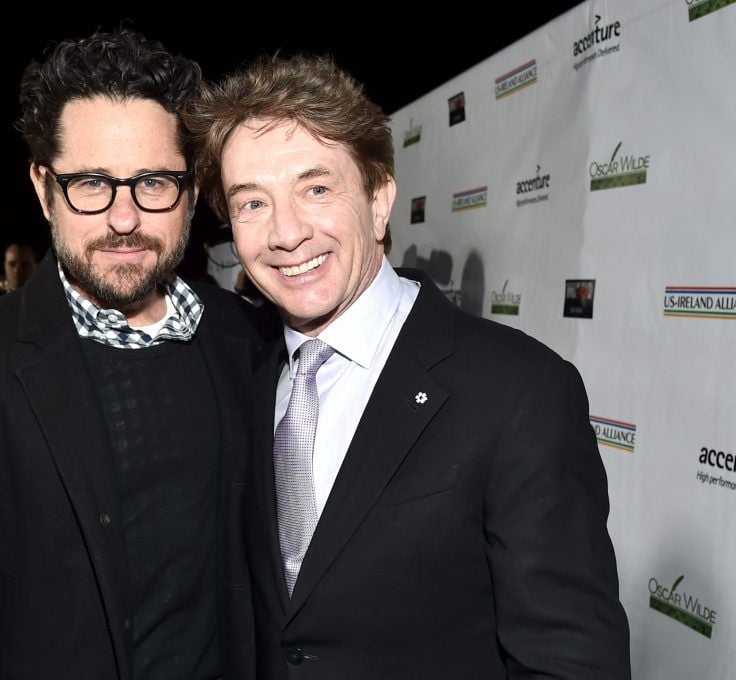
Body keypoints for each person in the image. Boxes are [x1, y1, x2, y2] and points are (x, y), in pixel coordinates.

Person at [185, 54, 631, 678]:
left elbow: (571, 661)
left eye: (316, 188)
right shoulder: (240, 379)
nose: (285, 233)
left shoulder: (518, 391)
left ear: (378, 197)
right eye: (252, 203)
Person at [0, 27, 259, 680]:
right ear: (43, 187)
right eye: (92, 183)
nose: (123, 218)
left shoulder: (245, 338)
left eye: (153, 183)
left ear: (193, 190)